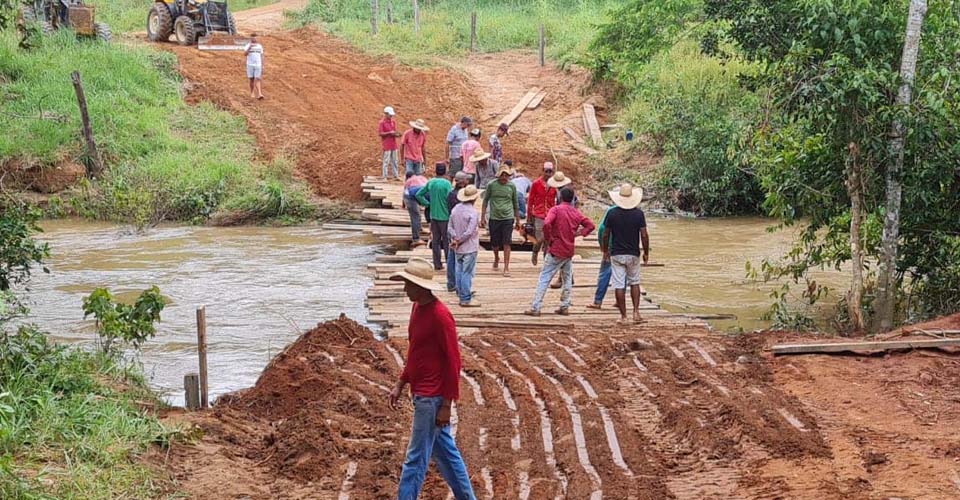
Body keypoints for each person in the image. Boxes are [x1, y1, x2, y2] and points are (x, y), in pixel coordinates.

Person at [387, 258, 477, 500]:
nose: (405, 289)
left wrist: (447, 405)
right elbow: (416, 352)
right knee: (446, 454)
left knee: (415, 459)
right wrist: (401, 382)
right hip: (421, 393)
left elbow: (453, 362)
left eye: (408, 284)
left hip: (431, 398)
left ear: (421, 287)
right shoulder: (417, 308)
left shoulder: (441, 316)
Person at [524, 187, 594, 317]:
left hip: (556, 249)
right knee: (567, 278)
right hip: (568, 250)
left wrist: (549, 238)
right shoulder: (576, 213)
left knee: (544, 278)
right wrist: (578, 233)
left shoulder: (555, 210)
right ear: (572, 199)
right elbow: (590, 225)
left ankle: (536, 307)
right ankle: (564, 305)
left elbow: (546, 224)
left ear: (560, 197)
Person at [603, 183, 650, 324]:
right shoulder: (639, 214)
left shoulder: (611, 214)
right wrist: (646, 252)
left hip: (617, 253)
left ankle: (624, 316)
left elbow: (605, 234)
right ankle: (636, 313)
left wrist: (605, 250)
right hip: (633, 253)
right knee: (634, 282)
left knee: (619, 285)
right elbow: (644, 235)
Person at [480, 164, 520, 277]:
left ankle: (506, 267)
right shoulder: (491, 185)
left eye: (506, 175)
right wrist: (482, 217)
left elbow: (515, 203)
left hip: (508, 217)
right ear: (498, 175)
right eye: (502, 175)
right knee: (495, 243)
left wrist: (517, 220)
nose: (504, 177)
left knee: (507, 242)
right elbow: (485, 200)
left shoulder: (511, 186)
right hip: (494, 217)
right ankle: (496, 257)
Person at [449, 185, 482, 307]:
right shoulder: (473, 212)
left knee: (459, 270)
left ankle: (461, 291)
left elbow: (450, 227)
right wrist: (460, 240)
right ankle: (465, 298)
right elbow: (469, 231)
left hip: (458, 247)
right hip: (469, 247)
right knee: (467, 272)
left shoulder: (455, 209)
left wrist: (455, 239)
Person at [417, 163, 453, 271]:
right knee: (447, 242)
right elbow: (450, 198)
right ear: (445, 172)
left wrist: (427, 204)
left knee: (436, 241)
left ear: (435, 171)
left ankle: (437, 264)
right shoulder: (447, 184)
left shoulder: (431, 182)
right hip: (445, 216)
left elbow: (419, 194)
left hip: (434, 216)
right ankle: (449, 263)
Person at [526, 162, 557, 266]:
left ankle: (545, 259)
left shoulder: (554, 185)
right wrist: (529, 216)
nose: (548, 173)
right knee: (540, 238)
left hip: (551, 214)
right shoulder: (536, 183)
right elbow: (530, 200)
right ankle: (535, 252)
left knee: (548, 238)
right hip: (539, 214)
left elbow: (557, 200)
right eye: (546, 171)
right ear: (543, 171)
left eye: (550, 171)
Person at [546, 172, 574, 289]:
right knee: (566, 252)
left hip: (565, 223)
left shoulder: (562, 194)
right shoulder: (567, 191)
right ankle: (568, 277)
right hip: (569, 222)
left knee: (562, 252)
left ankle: (562, 278)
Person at [444, 172, 471, 292]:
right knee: (457, 257)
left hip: (452, 227)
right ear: (461, 182)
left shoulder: (451, 194)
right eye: (466, 180)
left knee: (452, 255)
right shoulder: (459, 195)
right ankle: (458, 284)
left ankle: (451, 283)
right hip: (458, 229)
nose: (467, 181)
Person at [403, 171, 429, 247]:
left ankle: (419, 229)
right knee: (415, 216)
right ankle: (416, 239)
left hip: (415, 195)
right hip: (410, 197)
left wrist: (403, 205)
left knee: (418, 214)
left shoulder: (408, 181)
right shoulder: (422, 178)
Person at [379, 106, 402, 179]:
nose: (391, 116)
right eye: (390, 114)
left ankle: (396, 175)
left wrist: (396, 134)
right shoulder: (382, 123)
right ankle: (384, 176)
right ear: (386, 114)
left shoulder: (393, 122)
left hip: (393, 144)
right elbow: (380, 133)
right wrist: (389, 133)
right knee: (386, 161)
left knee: (395, 160)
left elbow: (394, 132)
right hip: (387, 144)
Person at [244, 34, 264, 100]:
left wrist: (262, 65)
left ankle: (259, 94)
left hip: (258, 64)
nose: (254, 39)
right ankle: (252, 92)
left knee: (258, 79)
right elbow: (245, 54)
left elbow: (262, 55)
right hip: (250, 64)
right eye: (253, 38)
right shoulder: (247, 45)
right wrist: (250, 47)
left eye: (255, 38)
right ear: (250, 39)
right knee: (251, 79)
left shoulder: (260, 46)